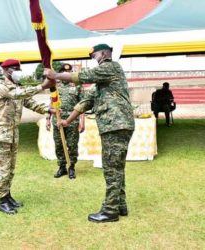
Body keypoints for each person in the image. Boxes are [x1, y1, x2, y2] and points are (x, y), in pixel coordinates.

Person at [44, 44, 135, 223]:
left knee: (111, 169)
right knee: (116, 167)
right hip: (114, 126)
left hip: (116, 125)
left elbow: (82, 76)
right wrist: (67, 121)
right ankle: (120, 205)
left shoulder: (110, 67)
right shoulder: (103, 82)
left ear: (104, 53)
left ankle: (110, 211)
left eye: (95, 55)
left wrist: (55, 75)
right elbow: (85, 102)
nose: (94, 58)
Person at [0, 59, 54, 215]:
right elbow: (15, 95)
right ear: (6, 70)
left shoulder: (18, 86)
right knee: (1, 168)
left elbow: (29, 102)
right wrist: (42, 86)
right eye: (15, 68)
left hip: (11, 133)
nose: (18, 71)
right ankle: (2, 201)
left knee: (10, 169)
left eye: (19, 68)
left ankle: (8, 196)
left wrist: (47, 110)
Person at [46, 63, 85, 179]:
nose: (66, 74)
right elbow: (51, 103)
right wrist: (47, 119)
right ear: (61, 73)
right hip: (57, 120)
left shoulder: (77, 85)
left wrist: (83, 121)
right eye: (64, 72)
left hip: (72, 121)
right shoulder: (55, 86)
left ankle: (71, 166)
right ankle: (62, 167)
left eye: (68, 72)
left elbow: (82, 104)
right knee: (59, 145)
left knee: (72, 145)